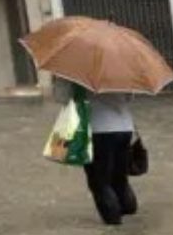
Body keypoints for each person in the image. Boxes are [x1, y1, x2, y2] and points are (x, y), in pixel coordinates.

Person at [54, 80, 138, 225]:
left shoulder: (74, 71)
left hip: (98, 129)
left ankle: (113, 222)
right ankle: (129, 210)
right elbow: (129, 97)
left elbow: (62, 97)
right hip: (125, 127)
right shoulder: (120, 67)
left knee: (100, 181)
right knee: (119, 176)